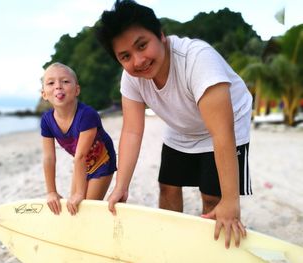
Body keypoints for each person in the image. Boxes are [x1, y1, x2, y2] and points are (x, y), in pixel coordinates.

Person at [96, 0, 252, 248]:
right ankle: (170, 242)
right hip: (182, 126)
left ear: (161, 35)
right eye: (125, 56)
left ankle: (214, 247)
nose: (138, 61)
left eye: (142, 45)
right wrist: (121, 186)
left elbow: (222, 134)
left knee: (214, 198)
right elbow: (132, 131)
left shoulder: (198, 59)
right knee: (168, 187)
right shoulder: (132, 78)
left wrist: (231, 202)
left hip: (228, 123)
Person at [40, 62, 117, 216]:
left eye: (65, 81)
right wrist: (51, 192)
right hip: (80, 165)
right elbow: (49, 157)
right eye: (51, 83)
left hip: (102, 160)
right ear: (44, 94)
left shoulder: (87, 115)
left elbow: (80, 155)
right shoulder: (47, 120)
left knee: (86, 207)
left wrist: (80, 193)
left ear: (77, 90)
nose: (58, 86)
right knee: (73, 208)